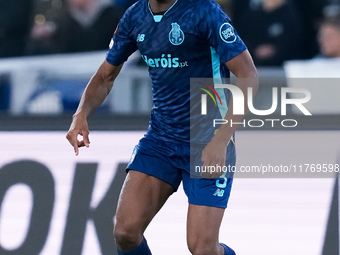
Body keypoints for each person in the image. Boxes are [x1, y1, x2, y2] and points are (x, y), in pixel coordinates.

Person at [66, 0, 258, 254]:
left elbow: (248, 76)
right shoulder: (134, 17)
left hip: (207, 140)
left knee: (202, 248)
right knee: (125, 233)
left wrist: (221, 139)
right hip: (161, 139)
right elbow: (105, 75)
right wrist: (81, 114)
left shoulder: (204, 12)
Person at [235, 0, 303, 66]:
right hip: (252, 63)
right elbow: (241, 36)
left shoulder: (291, 15)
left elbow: (295, 42)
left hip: (282, 65)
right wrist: (254, 50)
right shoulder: (250, 14)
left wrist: (276, 49)